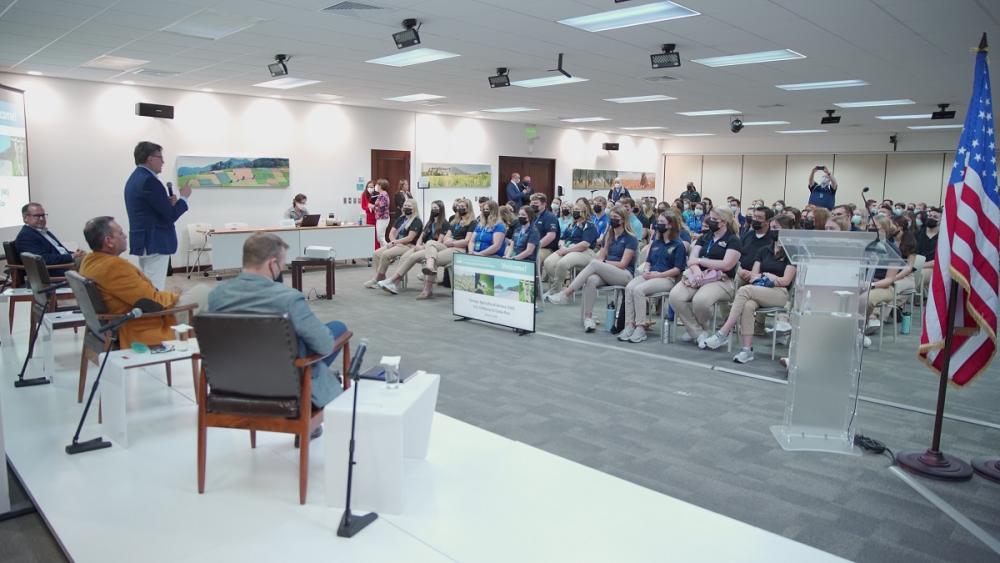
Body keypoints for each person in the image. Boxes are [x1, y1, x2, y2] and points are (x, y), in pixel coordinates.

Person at [208, 232, 347, 409]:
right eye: (282, 265)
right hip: (284, 383)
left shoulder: (216, 296)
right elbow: (325, 345)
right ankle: (312, 387)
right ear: (272, 263)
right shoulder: (288, 299)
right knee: (336, 328)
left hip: (234, 380)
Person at [79, 216, 210, 348]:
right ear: (109, 241)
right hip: (142, 326)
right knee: (205, 293)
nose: (125, 236)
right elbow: (152, 303)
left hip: (121, 320)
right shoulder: (113, 267)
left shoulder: (89, 261)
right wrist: (174, 296)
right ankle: (211, 353)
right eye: (120, 233)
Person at [701, 215, 797, 363]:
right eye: (772, 228)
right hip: (759, 289)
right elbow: (753, 276)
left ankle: (723, 332)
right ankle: (747, 350)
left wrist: (769, 278)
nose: (773, 231)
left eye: (777, 228)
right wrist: (766, 276)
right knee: (747, 305)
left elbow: (786, 280)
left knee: (744, 290)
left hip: (780, 293)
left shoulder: (792, 252)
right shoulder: (765, 250)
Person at [547, 206, 637, 334]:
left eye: (616, 218)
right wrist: (601, 265)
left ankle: (566, 293)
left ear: (623, 220)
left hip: (624, 275)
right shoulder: (608, 235)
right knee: (591, 280)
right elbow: (601, 256)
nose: (612, 220)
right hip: (607, 271)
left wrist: (602, 264)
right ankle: (588, 318)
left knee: (594, 263)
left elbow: (623, 264)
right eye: (611, 218)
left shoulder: (630, 238)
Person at [669, 207, 742, 346]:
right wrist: (696, 271)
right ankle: (697, 332)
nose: (711, 222)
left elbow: (726, 265)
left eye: (715, 219)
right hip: (698, 275)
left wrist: (701, 261)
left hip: (722, 280)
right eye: (710, 219)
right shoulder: (705, 237)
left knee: (700, 301)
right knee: (675, 296)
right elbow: (692, 260)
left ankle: (701, 329)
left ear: (724, 222)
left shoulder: (733, 240)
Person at [124, 141, 192, 290]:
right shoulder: (150, 181)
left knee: (148, 284)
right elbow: (170, 216)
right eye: (160, 157)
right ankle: (155, 313)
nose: (163, 161)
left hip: (144, 240)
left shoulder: (135, 178)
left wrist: (167, 203)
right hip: (155, 241)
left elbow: (149, 209)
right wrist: (184, 198)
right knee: (155, 288)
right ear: (150, 158)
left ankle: (149, 312)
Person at [618, 211, 686, 343]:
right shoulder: (656, 243)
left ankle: (640, 327)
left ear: (670, 225)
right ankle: (630, 325)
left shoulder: (678, 245)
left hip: (667, 279)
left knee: (639, 290)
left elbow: (677, 269)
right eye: (657, 222)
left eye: (661, 223)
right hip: (651, 275)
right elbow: (648, 261)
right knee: (629, 287)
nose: (657, 225)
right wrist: (647, 270)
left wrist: (659, 275)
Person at [377, 200, 447, 295]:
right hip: (421, 247)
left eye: (435, 208)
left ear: (441, 210)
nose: (433, 210)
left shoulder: (445, 224)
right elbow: (421, 237)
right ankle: (393, 283)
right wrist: (418, 245)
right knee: (404, 257)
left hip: (432, 249)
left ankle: (393, 282)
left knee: (411, 257)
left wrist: (423, 247)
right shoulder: (429, 223)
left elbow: (439, 242)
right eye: (432, 208)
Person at [420, 198, 476, 299]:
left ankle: (427, 290)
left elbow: (467, 241)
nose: (459, 209)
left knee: (432, 258)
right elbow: (446, 237)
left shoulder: (472, 222)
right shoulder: (455, 221)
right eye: (458, 207)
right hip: (449, 246)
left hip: (460, 249)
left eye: (463, 207)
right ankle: (430, 267)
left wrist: (452, 242)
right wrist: (448, 241)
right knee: (430, 243)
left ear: (468, 208)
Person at [543, 199, 599, 296]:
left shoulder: (590, 225)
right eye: (573, 210)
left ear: (584, 212)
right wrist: (562, 245)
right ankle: (563, 285)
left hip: (585, 252)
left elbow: (585, 244)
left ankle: (557, 291)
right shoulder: (571, 225)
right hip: (568, 249)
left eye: (577, 210)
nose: (574, 212)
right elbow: (562, 238)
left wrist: (567, 250)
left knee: (562, 263)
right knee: (548, 262)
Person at [15, 202, 84, 276]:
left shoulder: (44, 232)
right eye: (37, 216)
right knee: (93, 262)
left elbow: (58, 251)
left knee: (91, 257)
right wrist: (71, 256)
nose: (41, 219)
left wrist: (74, 254)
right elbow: (43, 259)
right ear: (25, 218)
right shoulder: (26, 236)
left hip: (67, 263)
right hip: (56, 269)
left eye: (43, 215)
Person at [365, 198, 422, 288]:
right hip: (396, 243)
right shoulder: (401, 218)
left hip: (408, 246)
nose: (406, 207)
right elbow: (391, 233)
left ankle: (378, 278)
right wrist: (393, 242)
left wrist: (396, 242)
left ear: (414, 208)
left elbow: (410, 238)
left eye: (409, 206)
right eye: (405, 206)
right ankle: (381, 278)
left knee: (386, 254)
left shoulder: (417, 221)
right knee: (376, 254)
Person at [737, 207, 775, 286]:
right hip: (741, 273)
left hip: (761, 277)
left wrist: (754, 274)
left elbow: (772, 264)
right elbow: (736, 254)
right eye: (754, 217)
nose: (755, 220)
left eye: (759, 218)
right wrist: (740, 270)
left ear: (768, 221)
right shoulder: (747, 235)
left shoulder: (773, 239)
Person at [529, 193, 561, 268]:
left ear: (544, 204)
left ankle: (536, 279)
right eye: (532, 203)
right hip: (531, 246)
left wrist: (535, 246)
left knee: (536, 256)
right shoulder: (532, 216)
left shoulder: (550, 217)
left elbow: (551, 236)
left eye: (536, 203)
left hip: (546, 248)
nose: (533, 205)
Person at [916, 207, 940, 291]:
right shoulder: (917, 233)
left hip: (932, 268)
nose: (931, 218)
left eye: (935, 217)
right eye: (930, 216)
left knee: (918, 275)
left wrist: (920, 265)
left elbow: (939, 260)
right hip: (915, 264)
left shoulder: (943, 238)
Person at [372, 179, 391, 248]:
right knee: (380, 238)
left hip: (382, 218)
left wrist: (373, 207)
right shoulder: (382, 194)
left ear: (381, 186)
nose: (376, 186)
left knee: (381, 238)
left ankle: (388, 251)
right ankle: (382, 253)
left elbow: (382, 208)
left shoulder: (383, 195)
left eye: (377, 184)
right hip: (381, 218)